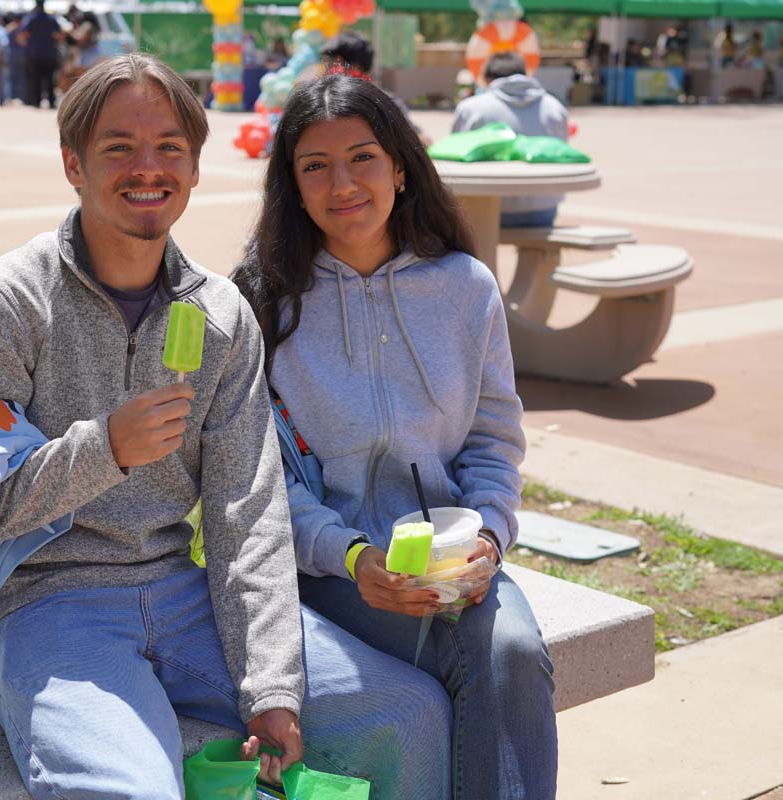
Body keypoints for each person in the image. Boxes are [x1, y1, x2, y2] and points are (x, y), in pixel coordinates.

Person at [0, 53, 452, 800]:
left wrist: (271, 686)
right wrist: (102, 449)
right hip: (40, 608)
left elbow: (249, 511)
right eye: (120, 148)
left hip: (181, 595)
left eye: (169, 147)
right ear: (73, 164)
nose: (149, 168)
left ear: (196, 168)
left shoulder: (218, 315)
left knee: (408, 712)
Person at [232, 72, 557, 800]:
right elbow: (256, 479)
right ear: (292, 184)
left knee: (511, 651)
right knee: (468, 669)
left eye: (363, 157)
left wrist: (490, 542)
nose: (341, 183)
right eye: (314, 166)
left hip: (453, 563)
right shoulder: (261, 301)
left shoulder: (465, 288)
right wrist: (353, 559)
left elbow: (494, 439)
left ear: (402, 168)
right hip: (328, 573)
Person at [452, 51, 568, 228]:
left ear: (487, 78)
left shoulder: (471, 108)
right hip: (544, 208)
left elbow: (454, 156)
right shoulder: (554, 107)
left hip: (486, 208)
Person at [320, 30, 432, 147]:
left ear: (338, 61)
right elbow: (422, 140)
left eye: (327, 61)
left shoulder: (324, 100)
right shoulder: (385, 98)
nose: (324, 67)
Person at [17, 0, 62, 109]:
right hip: (49, 53)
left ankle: (36, 102)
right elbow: (59, 35)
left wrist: (26, 46)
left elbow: (22, 35)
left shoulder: (31, 18)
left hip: (34, 53)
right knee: (50, 79)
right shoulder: (51, 19)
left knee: (35, 79)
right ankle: (51, 101)